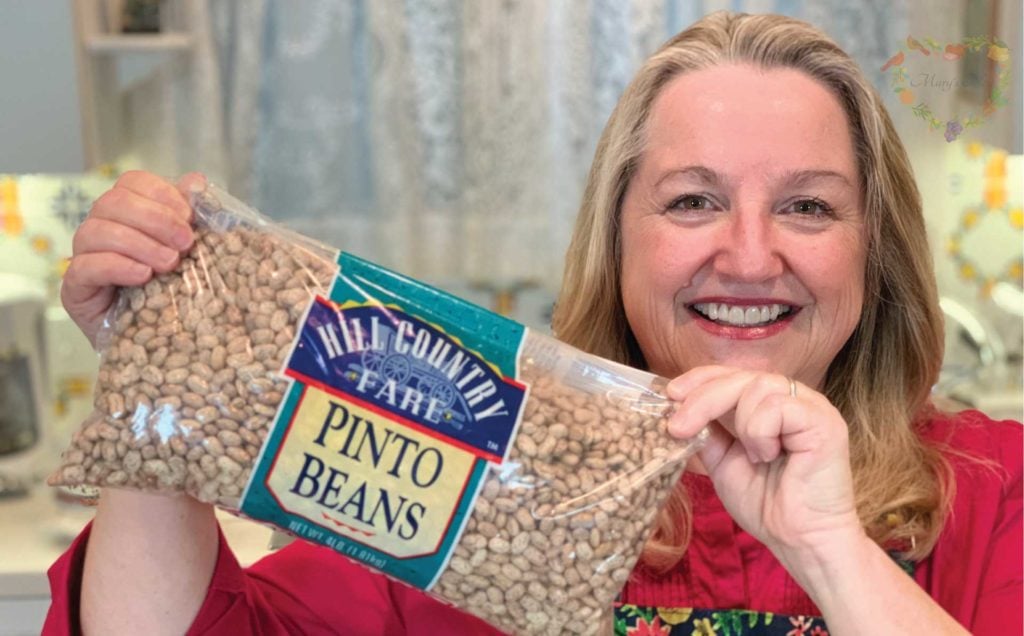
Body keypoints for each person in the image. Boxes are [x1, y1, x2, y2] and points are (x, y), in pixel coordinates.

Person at [44, 11, 1020, 635]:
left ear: (872, 250)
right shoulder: (478, 476)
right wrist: (154, 358)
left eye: (808, 206)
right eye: (690, 202)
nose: (751, 254)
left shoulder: (997, 490)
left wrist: (827, 548)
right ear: (619, 241)